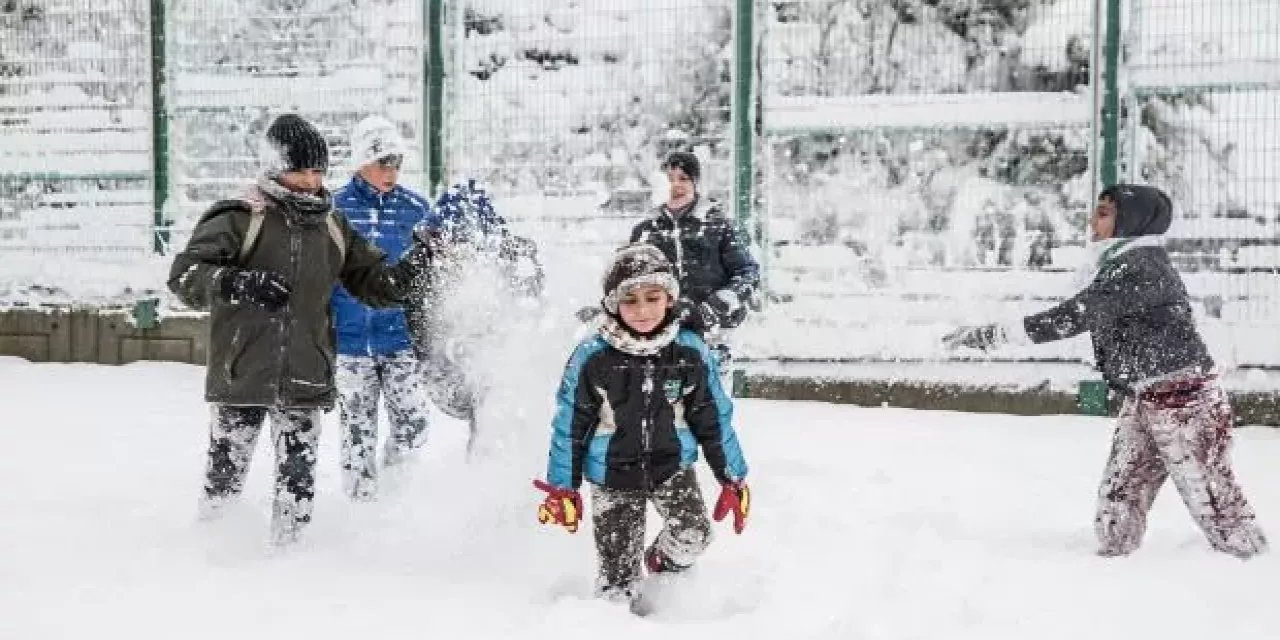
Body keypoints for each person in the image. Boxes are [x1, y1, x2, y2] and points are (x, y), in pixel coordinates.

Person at [943, 184, 1267, 559]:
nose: (1092, 221)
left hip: (1185, 401)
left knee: (1212, 497)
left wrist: (993, 335)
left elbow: (1074, 316)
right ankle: (1111, 568)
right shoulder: (1120, 263)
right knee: (1121, 491)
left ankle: (1251, 565)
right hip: (1146, 396)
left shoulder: (1142, 267)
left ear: (1129, 220)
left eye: (1103, 213)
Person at [167, 113, 435, 544]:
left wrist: (415, 266)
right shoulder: (240, 216)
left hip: (305, 373)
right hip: (243, 371)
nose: (311, 181)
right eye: (300, 170)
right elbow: (185, 275)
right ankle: (210, 556)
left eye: (318, 171)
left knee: (297, 486)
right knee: (225, 478)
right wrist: (237, 283)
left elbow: (375, 283)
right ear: (274, 167)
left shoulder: (331, 225)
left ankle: (290, 565)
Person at [534, 243, 751, 610]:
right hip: (612, 474)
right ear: (612, 305)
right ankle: (615, 618)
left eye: (653, 297)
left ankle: (661, 569)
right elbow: (570, 425)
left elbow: (714, 418)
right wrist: (563, 487)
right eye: (630, 301)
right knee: (617, 584)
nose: (643, 310)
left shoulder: (689, 351)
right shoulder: (594, 356)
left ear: (670, 298)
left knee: (694, 535)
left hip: (672, 466)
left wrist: (733, 476)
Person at [330, 115, 435, 501]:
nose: (391, 171)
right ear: (361, 161)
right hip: (350, 343)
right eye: (382, 161)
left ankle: (395, 496)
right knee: (357, 431)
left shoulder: (416, 209)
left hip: (400, 341)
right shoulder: (333, 209)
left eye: (396, 162)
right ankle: (361, 508)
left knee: (413, 423)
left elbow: (428, 277)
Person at [406, 179, 544, 456]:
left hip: (497, 363)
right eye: (441, 238)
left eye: (459, 241)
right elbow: (417, 324)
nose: (448, 248)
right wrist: (443, 349)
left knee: (494, 399)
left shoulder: (514, 264)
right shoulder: (422, 266)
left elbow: (530, 314)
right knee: (484, 391)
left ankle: (490, 466)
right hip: (443, 370)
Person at [623, 151, 761, 370]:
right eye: (669, 179)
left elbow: (748, 272)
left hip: (713, 331)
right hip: (663, 331)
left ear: (695, 182)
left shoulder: (717, 225)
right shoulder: (646, 231)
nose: (675, 185)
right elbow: (627, 279)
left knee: (710, 397)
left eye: (683, 178)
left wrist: (720, 303)